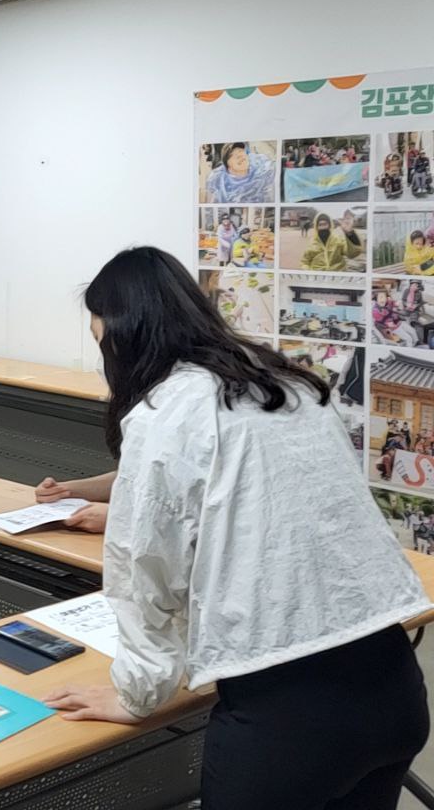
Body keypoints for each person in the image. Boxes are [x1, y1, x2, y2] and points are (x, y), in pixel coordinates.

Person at [37, 247, 430, 810]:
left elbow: (143, 568)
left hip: (287, 715)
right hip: (391, 683)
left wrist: (139, 694)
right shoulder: (281, 383)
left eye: (101, 340)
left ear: (125, 336)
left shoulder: (167, 410)